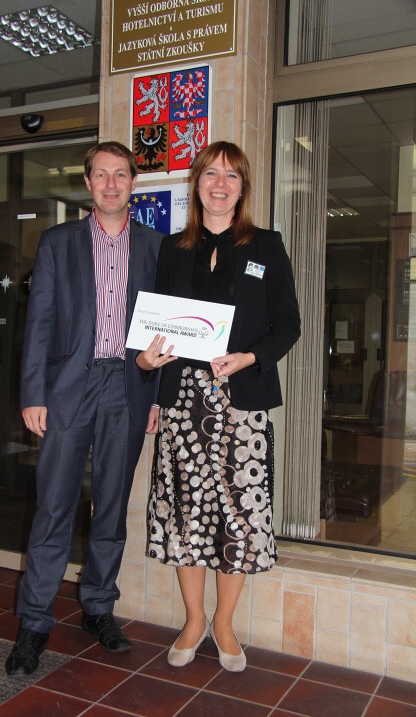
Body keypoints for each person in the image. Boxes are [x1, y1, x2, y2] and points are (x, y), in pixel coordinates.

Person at [137, 141, 300, 673]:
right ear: (197, 183)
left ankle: (224, 625)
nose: (220, 184)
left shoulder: (266, 245)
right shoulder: (173, 248)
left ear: (243, 187)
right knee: (186, 512)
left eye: (231, 175)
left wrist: (250, 357)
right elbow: (158, 327)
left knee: (237, 514)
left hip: (242, 402)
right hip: (183, 401)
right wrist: (150, 370)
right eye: (211, 173)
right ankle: (193, 620)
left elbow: (288, 324)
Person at [5, 141, 166, 677]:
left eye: (121, 174)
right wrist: (33, 393)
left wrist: (155, 396)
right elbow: (39, 322)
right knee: (53, 507)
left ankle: (98, 606)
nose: (111, 184)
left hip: (128, 385)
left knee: (112, 507)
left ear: (134, 183)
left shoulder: (156, 247)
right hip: (69, 388)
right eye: (102, 174)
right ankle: (34, 623)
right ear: (88, 182)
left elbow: (165, 329)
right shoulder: (58, 242)